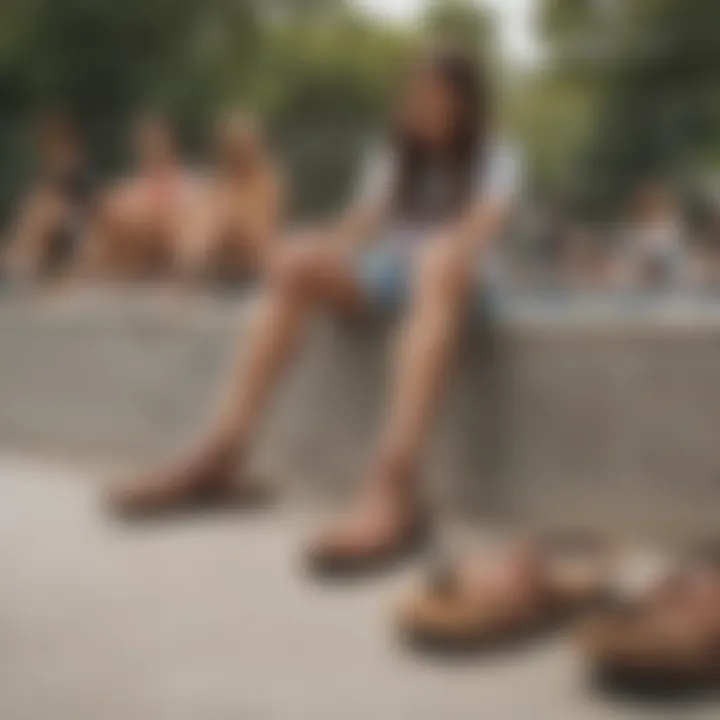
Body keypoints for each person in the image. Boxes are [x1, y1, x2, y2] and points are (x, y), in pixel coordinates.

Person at [109, 47, 521, 574]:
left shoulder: (496, 156)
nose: (421, 107)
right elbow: (359, 225)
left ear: (464, 104)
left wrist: (436, 255)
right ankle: (223, 453)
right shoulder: (393, 157)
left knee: (438, 257)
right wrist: (309, 247)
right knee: (298, 261)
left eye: (435, 96)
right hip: (392, 275)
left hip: (457, 279)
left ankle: (395, 483)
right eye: (415, 96)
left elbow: (481, 227)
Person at [77, 115, 197, 281]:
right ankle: (84, 272)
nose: (152, 148)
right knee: (107, 211)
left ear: (171, 144)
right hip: (137, 245)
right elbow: (112, 212)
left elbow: (187, 221)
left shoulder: (188, 184)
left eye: (157, 142)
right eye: (147, 143)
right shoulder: (131, 186)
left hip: (169, 243)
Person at [173, 112, 283, 285]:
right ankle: (190, 271)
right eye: (232, 145)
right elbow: (202, 211)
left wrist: (226, 215)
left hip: (253, 248)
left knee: (215, 220)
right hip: (218, 247)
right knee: (201, 218)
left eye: (242, 144)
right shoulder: (219, 177)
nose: (237, 150)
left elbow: (260, 224)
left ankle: (190, 272)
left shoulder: (266, 178)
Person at [2, 113, 95, 282]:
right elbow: (13, 250)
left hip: (62, 283)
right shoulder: (37, 200)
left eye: (68, 150)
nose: (63, 159)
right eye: (55, 151)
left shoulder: (90, 202)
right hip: (25, 280)